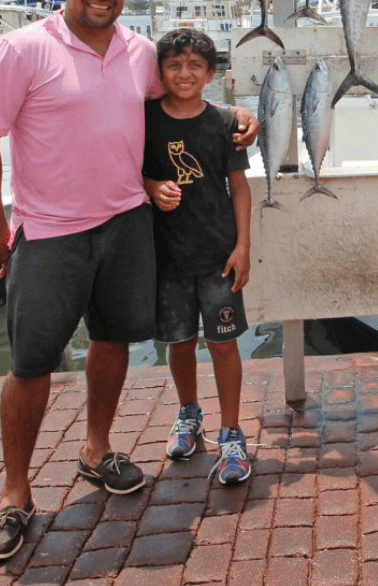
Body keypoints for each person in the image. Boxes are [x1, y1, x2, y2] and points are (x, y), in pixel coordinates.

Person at [0, 0, 259, 561]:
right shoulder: (23, 49)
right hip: (49, 231)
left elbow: (181, 99)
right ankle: (15, 494)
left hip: (127, 225)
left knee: (113, 341)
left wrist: (235, 114)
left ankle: (96, 450)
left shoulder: (140, 52)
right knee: (31, 365)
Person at [143, 28, 252, 486]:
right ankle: (189, 413)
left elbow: (239, 187)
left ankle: (232, 432)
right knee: (180, 342)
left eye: (194, 66)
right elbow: (127, 170)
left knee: (223, 344)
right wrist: (152, 187)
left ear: (210, 74)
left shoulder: (225, 123)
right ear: (160, 72)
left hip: (218, 256)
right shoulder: (144, 119)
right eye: (174, 65)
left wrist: (243, 247)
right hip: (166, 256)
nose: (184, 73)